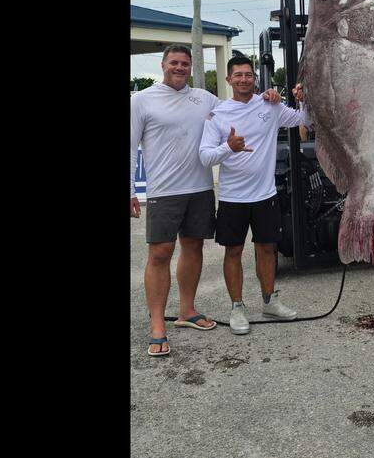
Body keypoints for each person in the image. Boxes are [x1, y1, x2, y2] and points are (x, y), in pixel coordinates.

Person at [131, 44, 282, 356]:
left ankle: (187, 311)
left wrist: (269, 94)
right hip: (163, 190)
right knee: (160, 252)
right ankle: (157, 324)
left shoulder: (205, 99)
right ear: (162, 65)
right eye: (174, 62)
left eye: (185, 63)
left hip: (200, 188)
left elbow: (241, 103)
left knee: (193, 247)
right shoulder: (142, 100)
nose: (180, 68)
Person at [198, 56, 307, 335]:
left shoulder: (269, 105)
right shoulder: (219, 114)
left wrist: (302, 99)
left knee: (267, 248)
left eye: (248, 75)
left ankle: (269, 301)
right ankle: (237, 307)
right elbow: (205, 156)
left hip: (265, 195)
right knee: (233, 251)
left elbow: (301, 120)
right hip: (233, 198)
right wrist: (228, 148)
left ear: (255, 78)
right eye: (238, 75)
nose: (244, 79)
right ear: (228, 80)